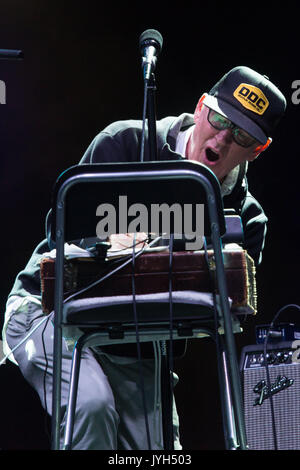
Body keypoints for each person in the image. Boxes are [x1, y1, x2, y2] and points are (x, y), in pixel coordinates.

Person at [2, 66, 286, 450]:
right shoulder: (125, 143)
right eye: (219, 119)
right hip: (48, 314)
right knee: (91, 406)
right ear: (201, 107)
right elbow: (60, 235)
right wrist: (115, 246)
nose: (222, 136)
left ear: (258, 149)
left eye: (241, 134)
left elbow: (223, 313)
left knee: (160, 450)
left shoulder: (245, 219)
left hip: (138, 346)